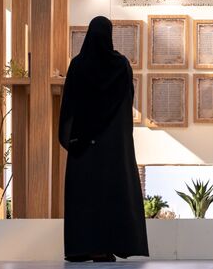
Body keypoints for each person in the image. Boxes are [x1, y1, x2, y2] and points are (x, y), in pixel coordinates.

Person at [58, 16, 149, 262]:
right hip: (112, 146)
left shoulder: (78, 65)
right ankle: (107, 246)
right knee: (111, 195)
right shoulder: (120, 65)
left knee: (85, 197)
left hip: (84, 147)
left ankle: (84, 247)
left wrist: (74, 137)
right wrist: (117, 137)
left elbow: (69, 105)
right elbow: (125, 103)